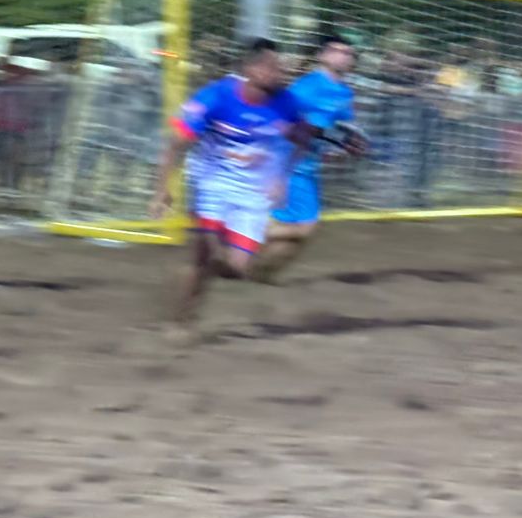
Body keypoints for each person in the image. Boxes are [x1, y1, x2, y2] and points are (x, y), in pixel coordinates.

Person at [149, 39, 314, 336]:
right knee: (205, 254)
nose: (280, 72)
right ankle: (180, 322)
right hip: (212, 182)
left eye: (280, 66)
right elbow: (176, 143)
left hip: (254, 190)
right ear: (251, 69)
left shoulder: (286, 101)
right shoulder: (216, 96)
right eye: (272, 66)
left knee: (237, 269)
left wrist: (282, 175)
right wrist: (163, 189)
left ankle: (196, 276)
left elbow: (303, 139)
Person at [252, 33, 366, 282]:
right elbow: (283, 120)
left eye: (348, 53)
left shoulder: (344, 93)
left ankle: (260, 276)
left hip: (308, 168)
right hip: (287, 164)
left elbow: (341, 131)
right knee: (303, 228)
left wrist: (344, 147)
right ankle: (240, 234)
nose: (344, 56)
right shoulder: (307, 87)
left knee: (299, 235)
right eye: (337, 50)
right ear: (321, 55)